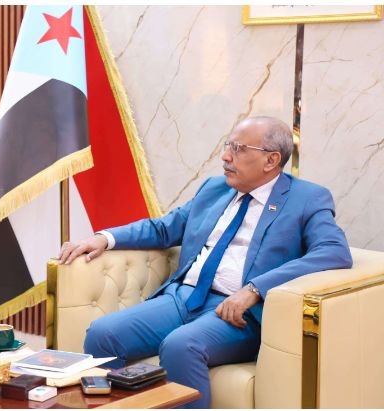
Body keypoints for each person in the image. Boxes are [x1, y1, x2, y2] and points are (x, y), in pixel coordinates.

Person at [58, 116, 352, 408]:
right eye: (228, 146)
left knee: (181, 346)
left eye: (239, 149)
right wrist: (104, 238)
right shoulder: (214, 188)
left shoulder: (306, 199)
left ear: (271, 160)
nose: (226, 156)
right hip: (183, 297)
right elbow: (165, 229)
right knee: (103, 334)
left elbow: (333, 250)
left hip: (238, 314)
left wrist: (254, 289)